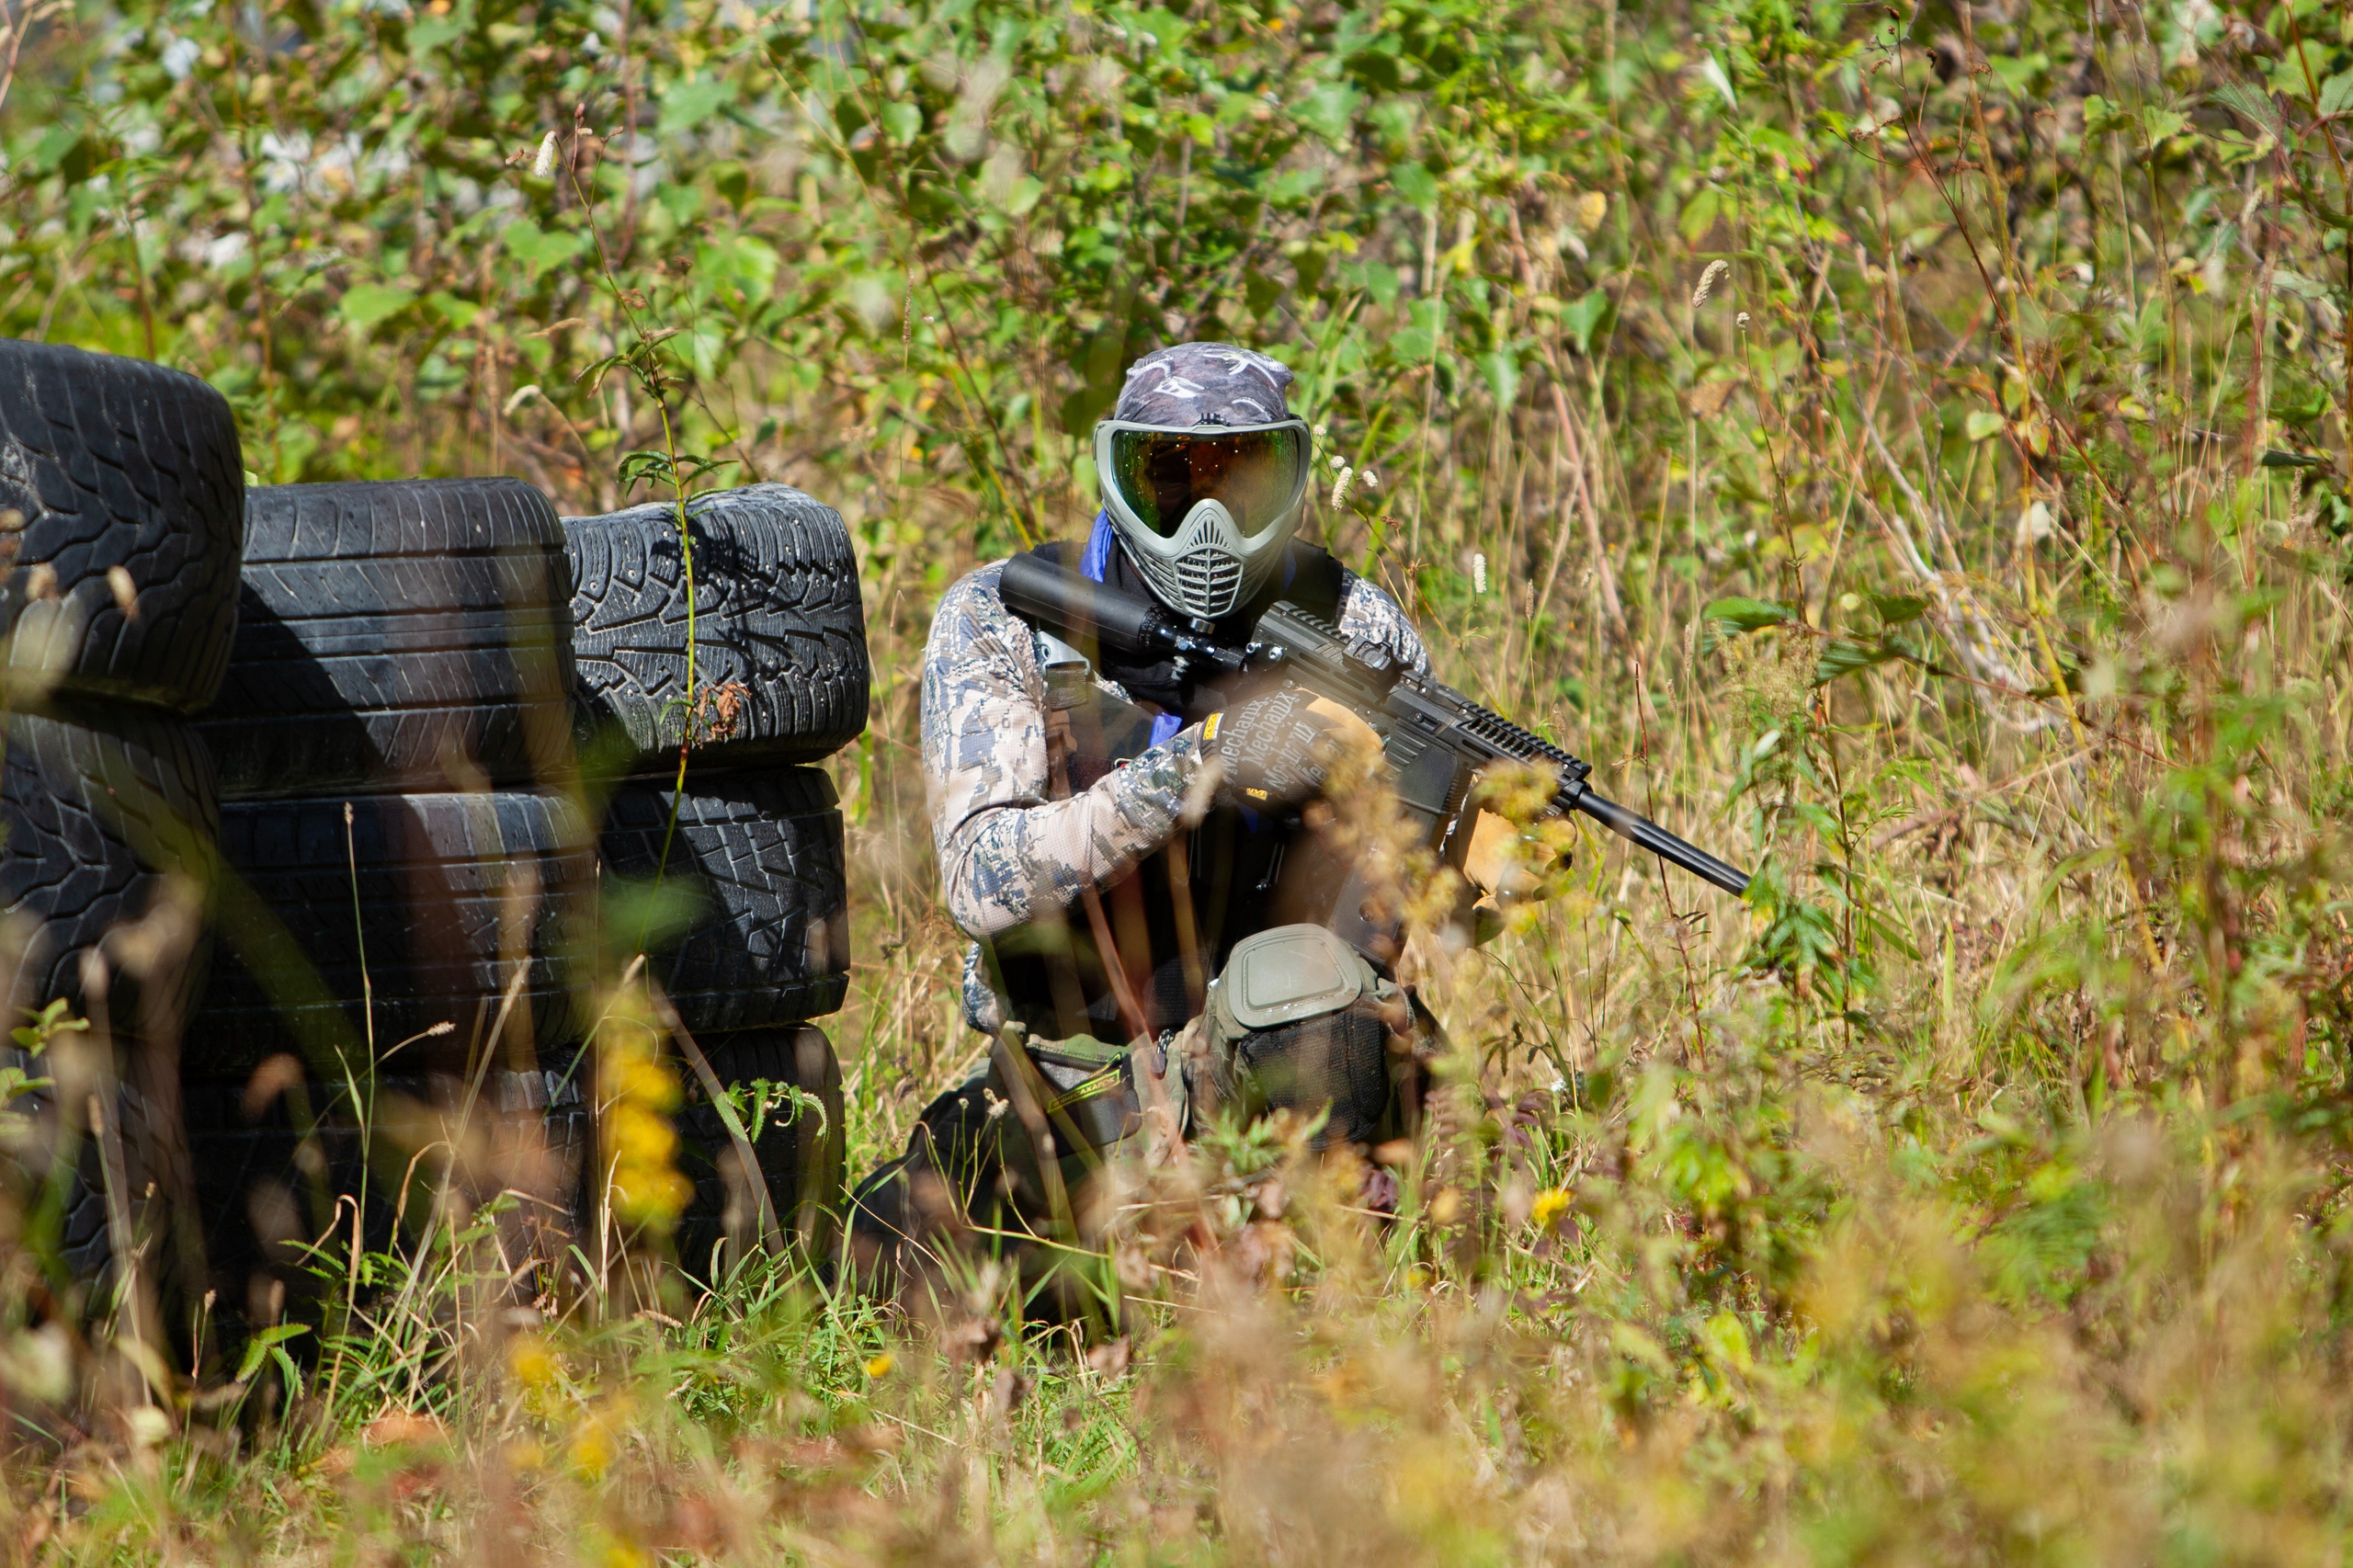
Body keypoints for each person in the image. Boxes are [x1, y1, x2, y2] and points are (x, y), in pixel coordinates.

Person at [847, 342, 1541, 1295]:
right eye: (1170, 475)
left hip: (1293, 1072)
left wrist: (1487, 869)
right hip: (1072, 1081)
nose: (1207, 515)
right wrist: (1203, 760)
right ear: (1116, 470)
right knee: (874, 1267)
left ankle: (1313, 1289)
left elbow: (1425, 920)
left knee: (1308, 988)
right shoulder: (1005, 620)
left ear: (1291, 472)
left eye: (1240, 475)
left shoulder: (1353, 625)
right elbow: (980, 878)